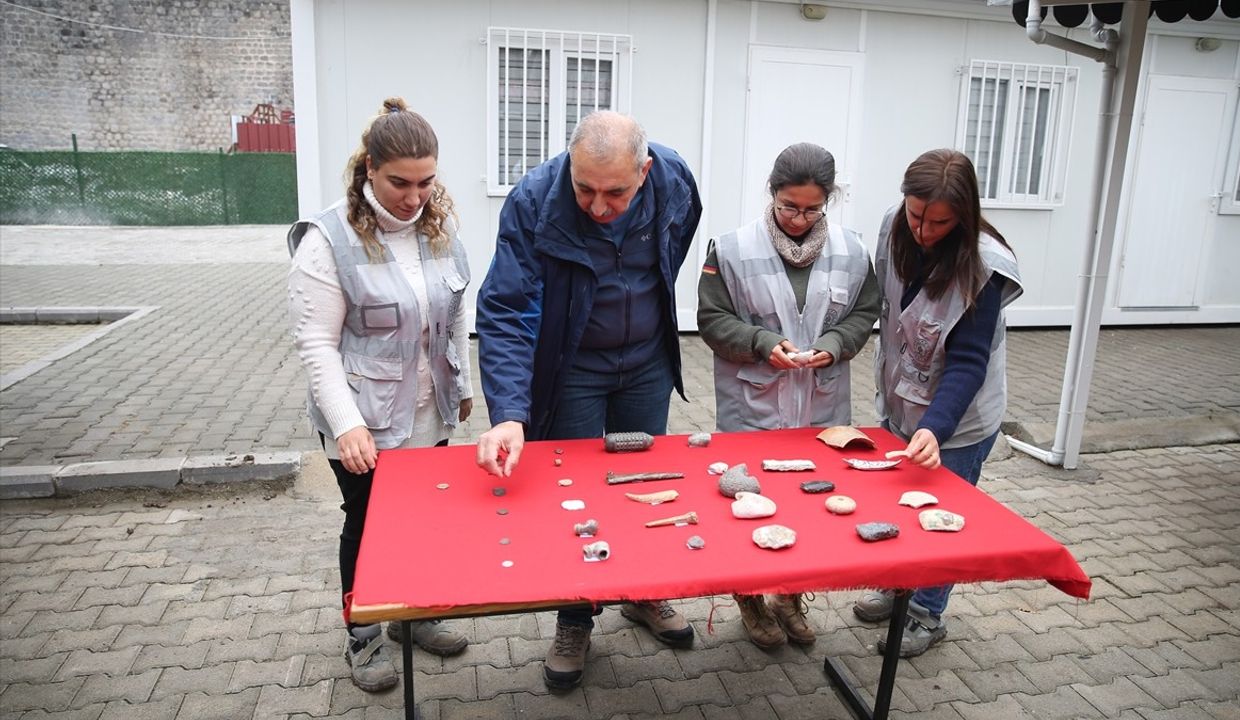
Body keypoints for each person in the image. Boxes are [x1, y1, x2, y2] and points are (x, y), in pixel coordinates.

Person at [474, 110, 702, 690]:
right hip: (574, 367)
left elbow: (678, 238)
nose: (600, 206)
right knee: (577, 496)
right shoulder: (533, 200)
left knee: (646, 487)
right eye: (586, 189)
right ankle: (576, 616)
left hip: (647, 362)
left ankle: (641, 593)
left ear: (645, 172)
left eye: (616, 192)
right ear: (569, 167)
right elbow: (506, 309)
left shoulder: (674, 179)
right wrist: (509, 414)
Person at [286, 97, 474, 692]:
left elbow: (456, 309)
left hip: (426, 411)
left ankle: (411, 620)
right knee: (366, 524)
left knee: (422, 519)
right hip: (362, 417)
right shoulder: (328, 239)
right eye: (400, 182)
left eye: (426, 182)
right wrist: (346, 425)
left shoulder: (438, 226)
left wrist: (461, 383)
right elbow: (315, 344)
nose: (414, 197)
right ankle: (363, 634)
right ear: (368, 166)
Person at [697, 142, 880, 649]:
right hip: (752, 406)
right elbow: (711, 319)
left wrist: (835, 343)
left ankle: (790, 596)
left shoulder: (853, 249)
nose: (799, 218)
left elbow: (865, 313)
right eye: (788, 206)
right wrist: (759, 343)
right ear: (772, 194)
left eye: (812, 209)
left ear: (828, 201)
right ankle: (750, 598)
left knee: (808, 506)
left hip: (821, 407)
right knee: (746, 504)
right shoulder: (731, 248)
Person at [854, 148, 1023, 657]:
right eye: (915, 215)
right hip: (902, 400)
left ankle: (927, 613)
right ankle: (899, 586)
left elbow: (969, 361)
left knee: (939, 515)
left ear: (965, 216)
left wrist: (935, 427)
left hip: (959, 417)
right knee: (900, 503)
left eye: (940, 222)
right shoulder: (894, 225)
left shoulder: (984, 264)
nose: (924, 230)